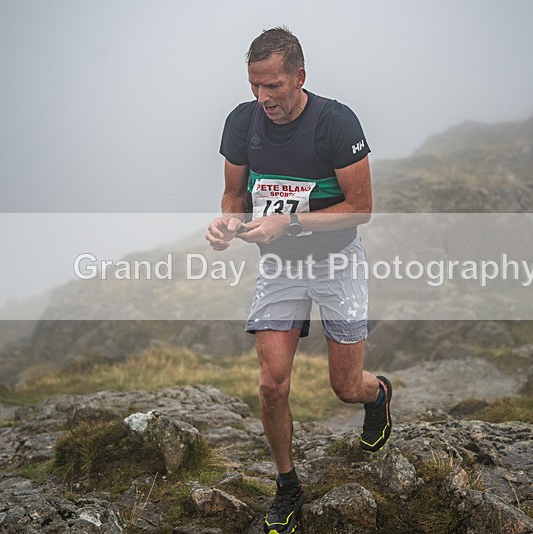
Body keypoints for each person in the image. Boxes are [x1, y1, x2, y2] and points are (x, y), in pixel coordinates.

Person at [206, 27, 392, 534]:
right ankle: (287, 486)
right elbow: (233, 193)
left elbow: (362, 209)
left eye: (273, 87)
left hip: (337, 260)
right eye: (254, 87)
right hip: (280, 265)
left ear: (299, 77)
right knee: (271, 384)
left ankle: (377, 397)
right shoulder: (242, 123)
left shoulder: (335, 122)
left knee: (344, 385)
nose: (262, 98)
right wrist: (228, 222)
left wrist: (287, 221)